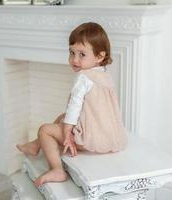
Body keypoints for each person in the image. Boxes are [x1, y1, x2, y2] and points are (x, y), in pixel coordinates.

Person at [17, 22, 127, 186]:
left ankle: (57, 170)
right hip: (111, 136)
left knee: (45, 130)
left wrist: (68, 132)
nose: (74, 59)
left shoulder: (83, 77)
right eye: (71, 52)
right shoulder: (104, 75)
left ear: (99, 56)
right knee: (62, 117)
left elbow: (74, 107)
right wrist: (66, 122)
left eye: (82, 54)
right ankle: (35, 145)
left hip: (91, 138)